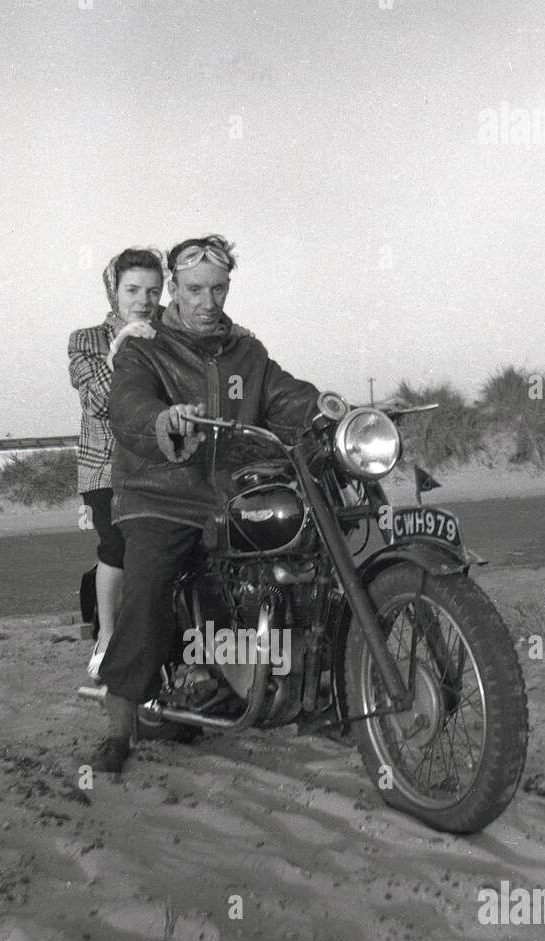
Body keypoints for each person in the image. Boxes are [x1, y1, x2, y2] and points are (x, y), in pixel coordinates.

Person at [96, 233, 320, 774]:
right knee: (147, 580)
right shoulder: (143, 346)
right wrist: (162, 419)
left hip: (232, 494)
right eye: (195, 288)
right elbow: (126, 403)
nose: (207, 301)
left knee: (311, 551)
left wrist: (331, 411)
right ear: (174, 286)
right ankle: (119, 726)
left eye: (218, 288)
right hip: (162, 493)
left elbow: (286, 396)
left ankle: (300, 677)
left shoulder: (246, 350)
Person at [68, 246, 165, 684]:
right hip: (106, 466)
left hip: (159, 464)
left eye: (153, 290)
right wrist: (123, 346)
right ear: (114, 291)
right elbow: (100, 402)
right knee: (118, 546)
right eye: (132, 289)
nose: (143, 301)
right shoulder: (87, 340)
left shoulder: (172, 332)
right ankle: (107, 636)